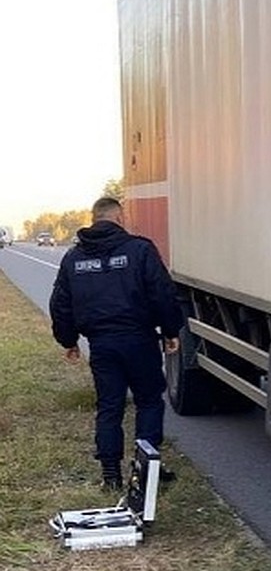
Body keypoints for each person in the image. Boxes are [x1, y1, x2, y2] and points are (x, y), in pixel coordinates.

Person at [49, 197, 184, 490]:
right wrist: (171, 330)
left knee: (109, 405)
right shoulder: (140, 250)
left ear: (94, 219)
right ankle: (146, 469)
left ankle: (111, 475)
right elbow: (162, 293)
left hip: (101, 345)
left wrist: (68, 340)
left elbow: (61, 304)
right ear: (119, 219)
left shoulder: (74, 258)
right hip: (139, 339)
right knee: (148, 400)